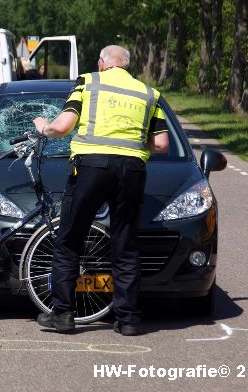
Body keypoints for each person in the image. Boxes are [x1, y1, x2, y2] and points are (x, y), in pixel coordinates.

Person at [32, 45, 169, 335]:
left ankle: (64, 315)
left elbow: (63, 126)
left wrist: (44, 127)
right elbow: (160, 145)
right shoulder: (148, 93)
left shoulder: (88, 82)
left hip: (91, 168)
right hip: (131, 171)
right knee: (125, 242)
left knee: (70, 238)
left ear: (102, 63)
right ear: (127, 65)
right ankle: (128, 320)